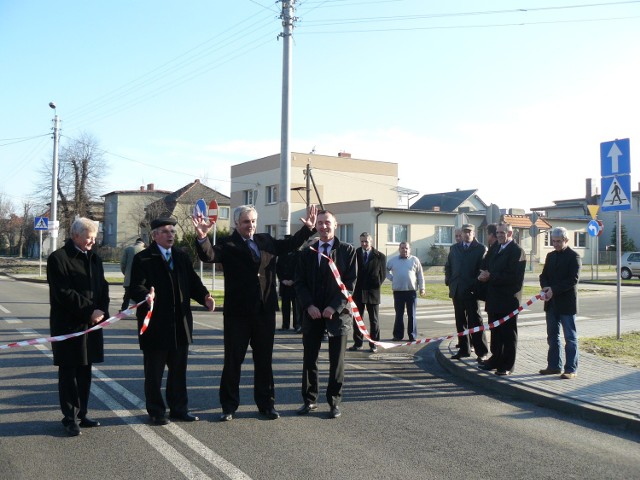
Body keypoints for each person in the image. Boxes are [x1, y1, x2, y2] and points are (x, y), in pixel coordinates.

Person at [193, 204, 317, 421]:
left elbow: (288, 244)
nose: (249, 226)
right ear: (236, 224)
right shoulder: (228, 243)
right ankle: (229, 406)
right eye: (245, 222)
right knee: (233, 360)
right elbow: (209, 255)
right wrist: (202, 237)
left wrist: (306, 229)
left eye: (252, 221)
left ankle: (266, 404)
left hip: (264, 311)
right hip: (237, 313)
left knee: (264, 360)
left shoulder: (265, 240)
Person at [129, 217, 214, 426]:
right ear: (155, 235)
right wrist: (145, 294)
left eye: (173, 232)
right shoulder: (144, 258)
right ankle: (156, 411)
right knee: (154, 373)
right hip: (156, 325)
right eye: (166, 231)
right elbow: (134, 287)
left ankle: (179, 408)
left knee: (178, 372)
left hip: (180, 324)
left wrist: (204, 297)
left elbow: (193, 281)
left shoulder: (181, 256)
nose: (171, 235)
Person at [47, 217, 109, 436]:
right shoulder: (58, 259)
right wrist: (89, 311)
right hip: (68, 325)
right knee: (69, 372)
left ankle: (83, 414)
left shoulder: (94, 258)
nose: (92, 242)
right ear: (75, 236)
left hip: (91, 325)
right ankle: (69, 417)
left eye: (94, 238)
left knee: (85, 370)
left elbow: (103, 287)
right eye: (89, 238)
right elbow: (64, 293)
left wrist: (102, 311)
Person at [294, 210, 356, 418]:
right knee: (310, 359)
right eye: (319, 223)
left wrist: (334, 307)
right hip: (312, 313)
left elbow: (350, 284)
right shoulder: (307, 251)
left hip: (337, 315)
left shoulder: (348, 251)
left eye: (327, 223)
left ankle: (333, 402)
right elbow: (299, 282)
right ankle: (309, 400)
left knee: (336, 361)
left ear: (335, 224)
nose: (323, 227)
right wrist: (308, 305)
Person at [477, 222, 526, 376]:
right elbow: (485, 265)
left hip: (508, 300)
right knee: (495, 332)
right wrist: (482, 274)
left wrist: (492, 277)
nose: (499, 235)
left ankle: (507, 365)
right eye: (497, 232)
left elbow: (515, 277)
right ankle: (495, 360)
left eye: (502, 233)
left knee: (508, 334)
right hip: (493, 299)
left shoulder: (517, 251)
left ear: (510, 234)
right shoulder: (495, 248)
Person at [539, 227, 582, 379]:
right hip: (551, 304)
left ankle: (571, 369)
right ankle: (554, 366)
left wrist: (553, 290)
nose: (555, 244)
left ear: (566, 240)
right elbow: (543, 275)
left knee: (570, 337)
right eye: (553, 241)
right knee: (552, 336)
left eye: (558, 241)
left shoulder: (574, 257)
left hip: (566, 304)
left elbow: (573, 280)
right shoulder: (550, 256)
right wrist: (545, 287)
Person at [445, 224, 489, 361]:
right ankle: (464, 349)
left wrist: (474, 286)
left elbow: (481, 270)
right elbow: (448, 266)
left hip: (471, 291)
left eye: (469, 232)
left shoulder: (480, 249)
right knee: (460, 322)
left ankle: (481, 352)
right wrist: (449, 281)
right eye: (464, 232)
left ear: (474, 233)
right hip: (457, 290)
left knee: (475, 321)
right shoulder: (454, 248)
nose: (466, 234)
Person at [349, 232, 386, 353]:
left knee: (374, 320)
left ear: (371, 242)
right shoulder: (355, 253)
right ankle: (358, 343)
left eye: (366, 241)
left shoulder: (379, 256)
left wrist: (375, 284)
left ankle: (374, 343)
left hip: (372, 292)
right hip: (358, 292)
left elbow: (383, 275)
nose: (364, 244)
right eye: (362, 241)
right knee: (357, 319)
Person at [386, 242, 425, 341]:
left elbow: (420, 275)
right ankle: (398, 335)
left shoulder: (414, 260)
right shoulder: (393, 261)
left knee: (411, 314)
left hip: (411, 292)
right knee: (399, 314)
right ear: (399, 249)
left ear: (410, 249)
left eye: (406, 248)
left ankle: (412, 335)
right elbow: (385, 270)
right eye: (402, 248)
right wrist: (392, 278)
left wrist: (422, 288)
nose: (404, 250)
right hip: (398, 292)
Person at [276, 240, 299, 331]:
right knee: (285, 305)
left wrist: (293, 280)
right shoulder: (282, 255)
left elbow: (299, 269)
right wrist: (282, 280)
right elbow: (278, 268)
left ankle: (296, 324)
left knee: (296, 305)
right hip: (284, 284)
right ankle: (285, 325)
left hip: (295, 284)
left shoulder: (298, 254)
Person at [119, 237, 145, 312]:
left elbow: (123, 264)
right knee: (140, 295)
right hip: (141, 279)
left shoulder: (128, 249)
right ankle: (140, 311)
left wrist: (126, 273)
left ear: (136, 242)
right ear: (143, 243)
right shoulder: (145, 251)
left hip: (129, 277)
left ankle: (124, 310)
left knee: (127, 295)